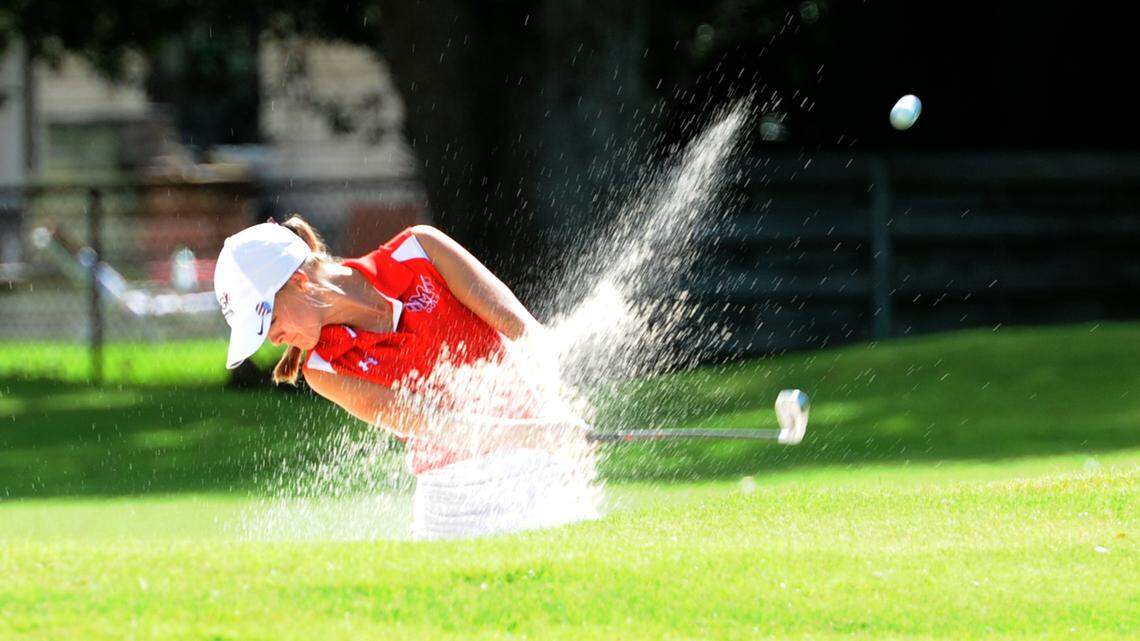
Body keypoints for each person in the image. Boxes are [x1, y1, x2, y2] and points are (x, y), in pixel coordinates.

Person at [213, 216, 599, 538]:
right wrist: (540, 433)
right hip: (454, 505)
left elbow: (526, 335)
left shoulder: (420, 250)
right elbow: (437, 424)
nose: (274, 339)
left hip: (541, 470)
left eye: (272, 320)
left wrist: (552, 414)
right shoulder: (322, 370)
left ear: (298, 282)